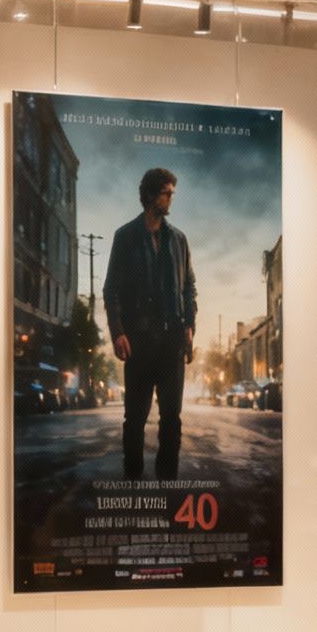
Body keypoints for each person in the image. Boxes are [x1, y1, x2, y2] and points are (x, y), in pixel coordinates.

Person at [102, 168, 197, 480]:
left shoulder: (179, 240)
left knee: (172, 417)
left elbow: (188, 288)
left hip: (171, 342)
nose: (170, 199)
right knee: (135, 418)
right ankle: (133, 480)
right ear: (150, 195)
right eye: (166, 193)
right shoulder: (125, 237)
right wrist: (118, 333)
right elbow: (111, 289)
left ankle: (167, 482)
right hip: (139, 343)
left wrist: (189, 326)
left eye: (171, 193)